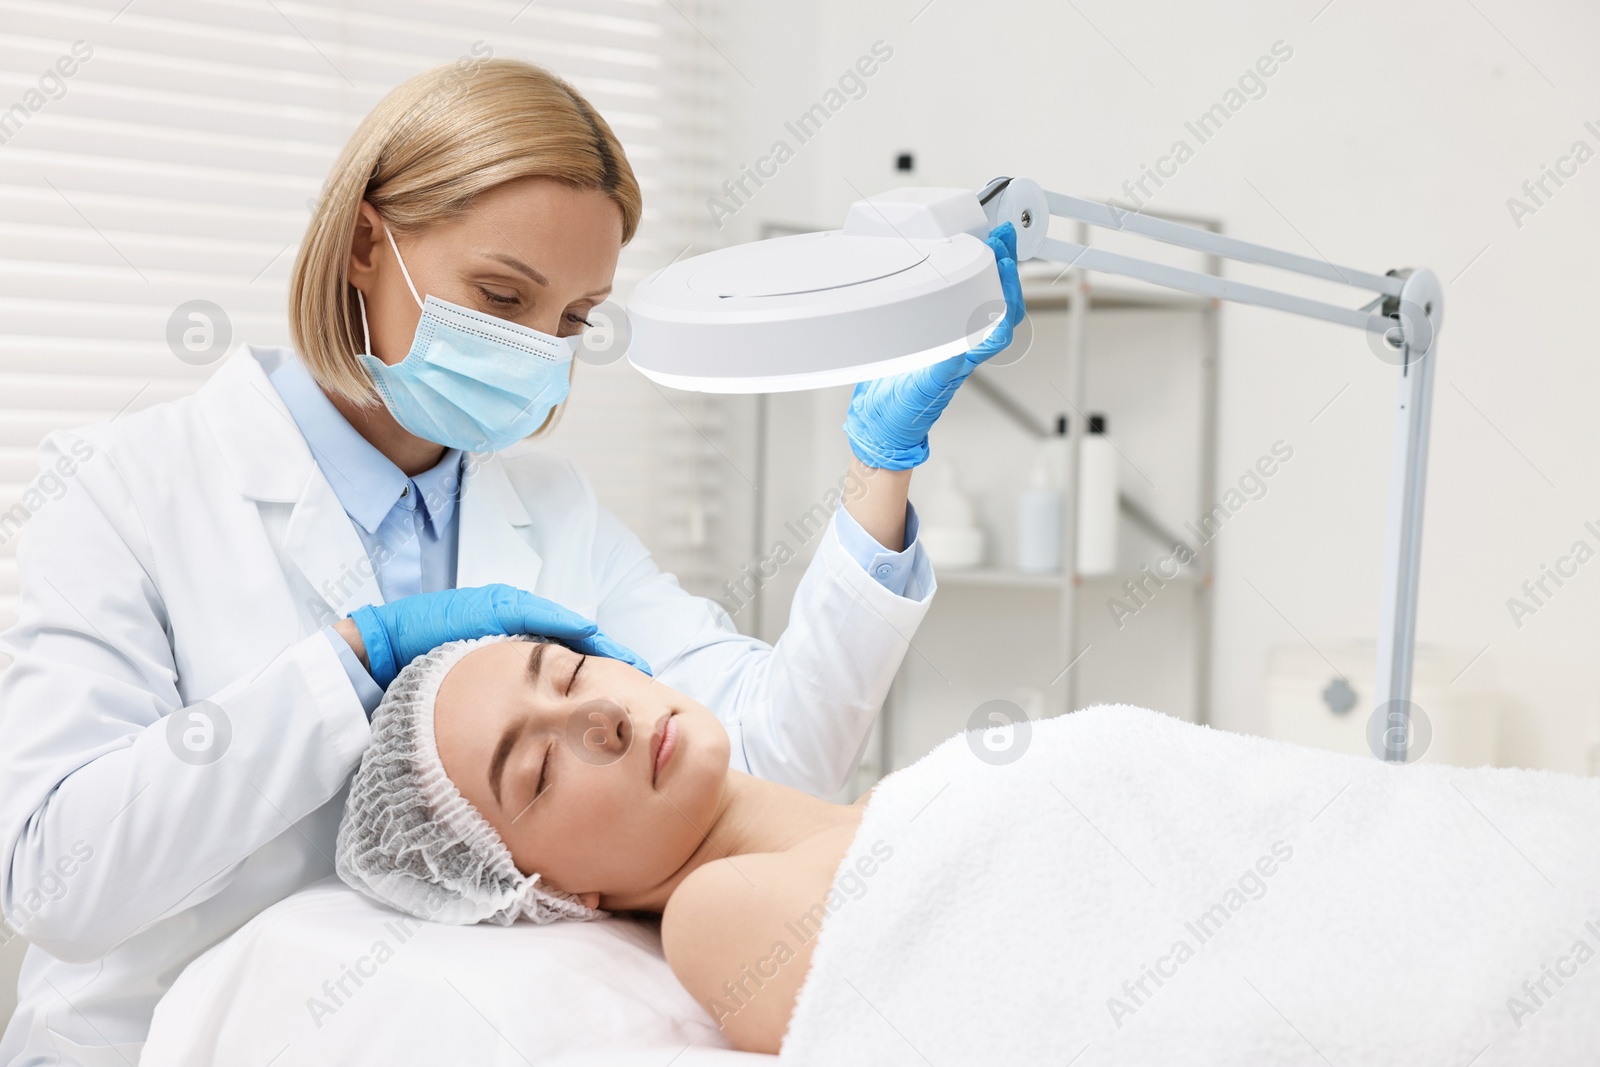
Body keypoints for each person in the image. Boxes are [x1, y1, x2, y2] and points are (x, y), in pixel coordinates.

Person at [0, 58, 1022, 1064]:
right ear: (365, 243)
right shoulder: (123, 488)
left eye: (573, 318)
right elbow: (55, 878)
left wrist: (875, 473)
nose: (539, 350)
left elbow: (761, 759)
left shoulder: (548, 508)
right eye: (501, 296)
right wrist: (351, 658)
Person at [336, 632, 874, 1055]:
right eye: (541, 769)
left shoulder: (882, 804)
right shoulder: (717, 913)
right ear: (551, 893)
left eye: (571, 675)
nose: (604, 718)